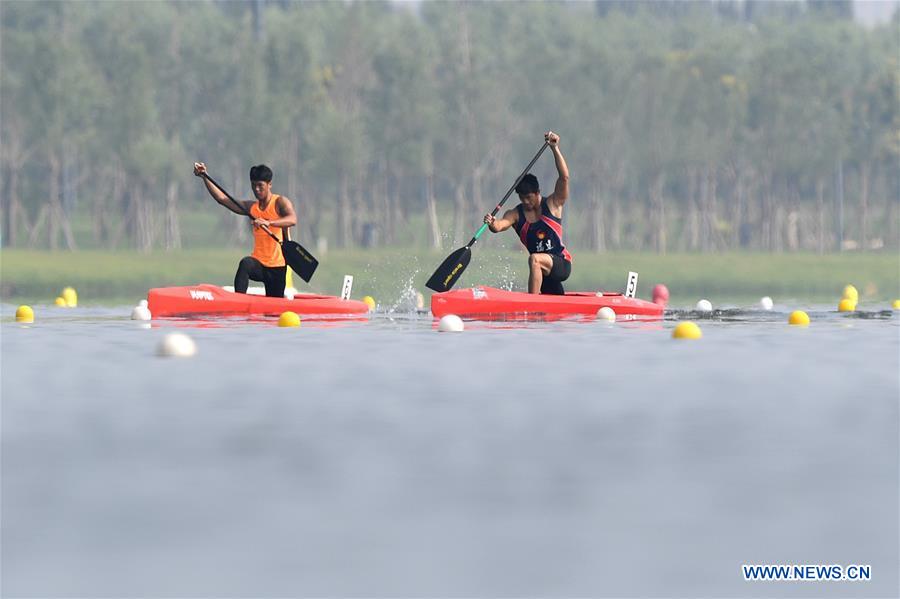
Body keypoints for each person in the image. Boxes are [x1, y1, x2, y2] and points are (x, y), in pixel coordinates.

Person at [484, 131, 571, 294]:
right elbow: (498, 226)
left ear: (537, 192)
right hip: (543, 275)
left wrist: (554, 148)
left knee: (534, 259)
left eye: (529, 197)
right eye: (521, 198)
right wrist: (491, 222)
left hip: (561, 264)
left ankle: (531, 303)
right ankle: (537, 306)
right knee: (552, 305)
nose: (525, 201)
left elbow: (564, 178)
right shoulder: (516, 214)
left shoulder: (553, 204)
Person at [193, 162, 297, 297]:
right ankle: (239, 302)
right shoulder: (251, 208)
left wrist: (268, 222)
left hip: (277, 267)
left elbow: (292, 219)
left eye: (260, 185)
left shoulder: (280, 203)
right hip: (258, 263)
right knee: (245, 264)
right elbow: (222, 199)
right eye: (253, 185)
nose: (257, 189)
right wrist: (204, 177)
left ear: (269, 184)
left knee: (273, 314)